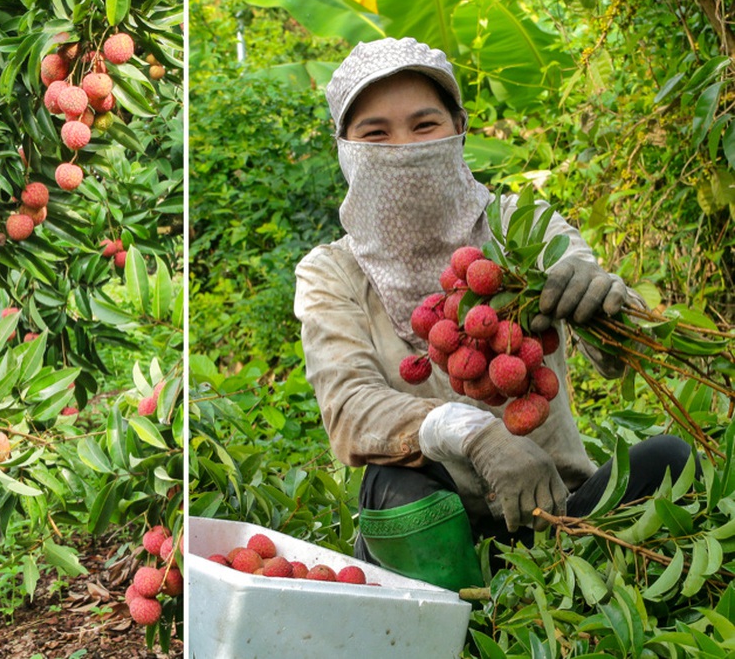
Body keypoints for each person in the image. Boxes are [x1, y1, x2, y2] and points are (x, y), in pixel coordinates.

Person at [294, 38, 695, 591]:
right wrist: (475, 434)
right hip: (427, 524)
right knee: (390, 484)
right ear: (344, 145)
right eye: (376, 134)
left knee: (671, 458)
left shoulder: (520, 228)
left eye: (425, 124)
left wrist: (604, 303)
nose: (404, 147)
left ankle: (564, 574)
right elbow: (349, 408)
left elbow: (616, 350)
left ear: (459, 125)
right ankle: (447, 617)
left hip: (559, 512)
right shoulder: (330, 272)